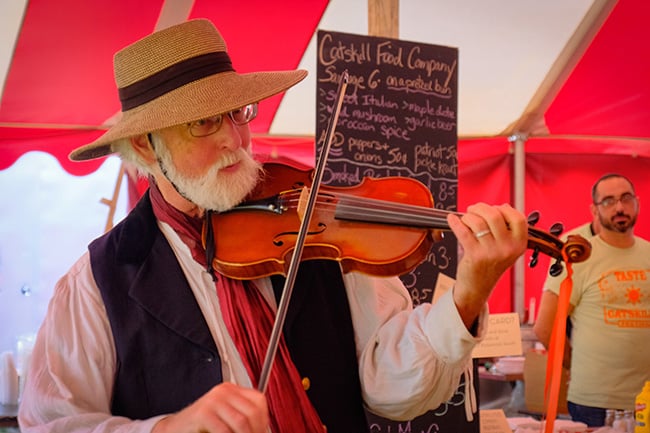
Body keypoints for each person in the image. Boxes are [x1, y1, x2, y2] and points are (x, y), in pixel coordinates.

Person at [18, 19, 528, 433]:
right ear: (147, 147)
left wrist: (467, 295)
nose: (235, 139)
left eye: (237, 113)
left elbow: (390, 388)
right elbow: (53, 424)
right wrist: (168, 427)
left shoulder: (308, 223)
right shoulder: (98, 280)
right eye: (204, 122)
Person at [534, 173, 650, 427]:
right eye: (608, 201)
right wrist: (575, 367)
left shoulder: (648, 253)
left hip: (646, 399)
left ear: (637, 203)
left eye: (626, 198)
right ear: (594, 210)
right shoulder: (578, 255)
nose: (619, 207)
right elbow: (545, 327)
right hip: (595, 403)